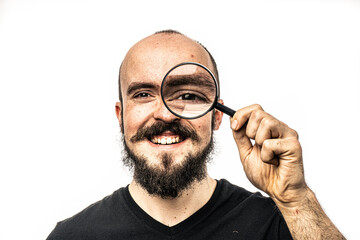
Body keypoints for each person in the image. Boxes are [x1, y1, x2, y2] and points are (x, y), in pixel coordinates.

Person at [47, 30, 345, 240]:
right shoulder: (72, 235)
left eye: (188, 94)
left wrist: (296, 200)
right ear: (121, 116)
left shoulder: (283, 225)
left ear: (217, 115)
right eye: (142, 94)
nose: (165, 113)